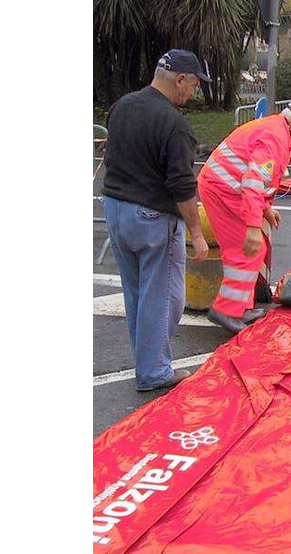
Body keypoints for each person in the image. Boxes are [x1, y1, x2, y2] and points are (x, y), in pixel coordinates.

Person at [102, 49, 210, 391]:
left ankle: (146, 362)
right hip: (152, 217)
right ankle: (154, 372)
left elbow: (112, 155)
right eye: (194, 84)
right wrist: (197, 231)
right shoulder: (173, 124)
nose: (193, 93)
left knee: (137, 292)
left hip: (117, 209)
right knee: (164, 298)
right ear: (180, 79)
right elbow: (181, 186)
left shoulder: (122, 106)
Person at [198, 98, 291, 333]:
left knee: (250, 251)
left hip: (225, 188)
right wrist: (254, 227)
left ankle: (239, 308)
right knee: (248, 250)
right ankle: (226, 310)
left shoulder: (277, 131)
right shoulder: (275, 138)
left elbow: (258, 179)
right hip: (224, 190)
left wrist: (265, 209)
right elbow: (253, 182)